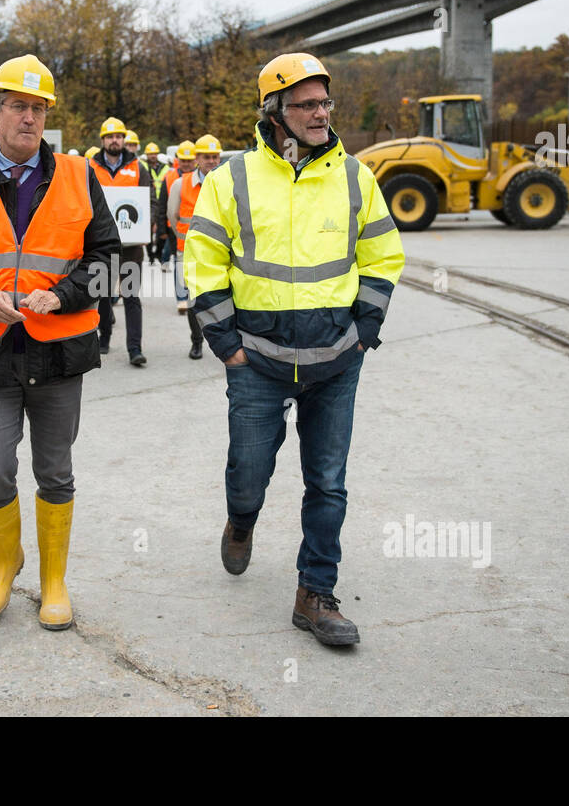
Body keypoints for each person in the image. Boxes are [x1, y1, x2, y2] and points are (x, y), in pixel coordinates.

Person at [183, 52, 405, 647]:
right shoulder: (229, 180)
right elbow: (203, 264)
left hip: (336, 360)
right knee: (249, 473)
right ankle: (242, 518)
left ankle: (315, 594)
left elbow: (383, 254)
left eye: (325, 102)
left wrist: (365, 332)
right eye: (306, 104)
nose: (320, 113)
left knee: (328, 481)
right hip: (255, 361)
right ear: (274, 112)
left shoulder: (355, 176)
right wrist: (225, 343)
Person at [0, 54, 119, 629]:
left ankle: (54, 580)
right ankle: (4, 564)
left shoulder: (80, 176)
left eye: (38, 108)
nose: (29, 118)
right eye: (18, 107)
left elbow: (107, 261)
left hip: (59, 353)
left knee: (55, 470)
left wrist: (62, 294)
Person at [89, 117, 149, 366]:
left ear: (124, 139)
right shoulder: (90, 166)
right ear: (103, 140)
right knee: (102, 294)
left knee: (131, 295)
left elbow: (149, 199)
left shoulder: (138, 167)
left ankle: (135, 348)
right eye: (110, 136)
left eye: (119, 136)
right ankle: (104, 338)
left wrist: (149, 225)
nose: (115, 140)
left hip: (131, 247)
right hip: (102, 244)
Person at [169, 134, 223, 359]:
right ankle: (196, 341)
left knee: (222, 299)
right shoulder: (181, 184)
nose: (211, 161)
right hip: (188, 253)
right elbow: (172, 217)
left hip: (220, 253)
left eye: (215, 156)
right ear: (197, 158)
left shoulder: (227, 183)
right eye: (206, 157)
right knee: (193, 301)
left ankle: (223, 342)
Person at [166, 140, 197, 309]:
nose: (186, 164)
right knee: (178, 263)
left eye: (189, 160)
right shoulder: (170, 177)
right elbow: (164, 202)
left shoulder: (204, 177)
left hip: (191, 232)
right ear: (178, 159)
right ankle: (181, 297)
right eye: (183, 160)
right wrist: (165, 230)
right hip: (175, 229)